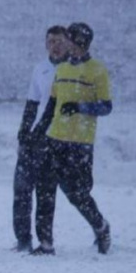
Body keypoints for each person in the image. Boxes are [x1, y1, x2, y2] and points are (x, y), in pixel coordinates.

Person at [30, 22, 112, 256]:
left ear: (80, 42)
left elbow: (106, 106)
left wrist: (80, 107)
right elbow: (54, 103)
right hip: (54, 138)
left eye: (67, 39)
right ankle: (45, 244)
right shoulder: (62, 68)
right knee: (44, 189)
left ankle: (101, 226)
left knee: (77, 194)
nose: (62, 44)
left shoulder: (97, 70)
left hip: (79, 143)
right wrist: (39, 130)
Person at [12, 25, 69, 252]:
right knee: (21, 189)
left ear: (68, 44)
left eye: (60, 42)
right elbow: (32, 104)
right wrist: (23, 134)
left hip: (55, 138)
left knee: (46, 191)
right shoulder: (40, 69)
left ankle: (46, 241)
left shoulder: (71, 71)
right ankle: (23, 238)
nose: (55, 46)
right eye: (51, 41)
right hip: (35, 136)